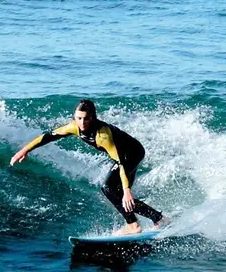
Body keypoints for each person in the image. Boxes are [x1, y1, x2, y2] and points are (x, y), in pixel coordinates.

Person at [10, 99, 168, 235]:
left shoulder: (103, 136)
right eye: (78, 118)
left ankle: (134, 225)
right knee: (116, 192)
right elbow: (49, 136)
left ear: (92, 117)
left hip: (132, 153)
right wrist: (25, 150)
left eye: (86, 119)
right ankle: (158, 219)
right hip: (122, 156)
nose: (82, 123)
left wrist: (127, 191)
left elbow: (122, 163)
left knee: (109, 188)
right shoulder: (73, 127)